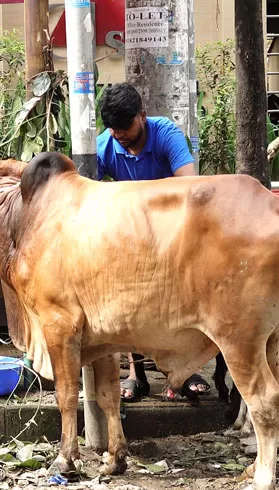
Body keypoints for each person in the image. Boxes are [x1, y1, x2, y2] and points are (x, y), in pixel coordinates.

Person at [96, 82, 211, 402]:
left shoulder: (166, 135)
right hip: (131, 240)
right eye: (113, 128)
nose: (119, 134)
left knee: (184, 306)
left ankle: (188, 371)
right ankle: (137, 374)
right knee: (129, 306)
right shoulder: (105, 145)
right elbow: (85, 194)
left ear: (142, 116)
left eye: (125, 126)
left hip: (173, 234)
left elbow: (190, 186)